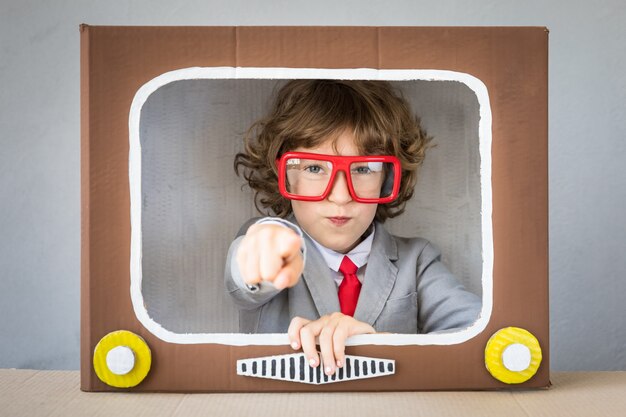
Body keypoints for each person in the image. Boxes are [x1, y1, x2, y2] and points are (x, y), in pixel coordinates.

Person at [224, 79, 481, 377]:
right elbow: (248, 273)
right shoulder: (270, 242)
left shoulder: (417, 260)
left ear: (386, 178)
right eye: (314, 168)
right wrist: (264, 246)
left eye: (362, 169)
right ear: (285, 176)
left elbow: (479, 339)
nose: (341, 196)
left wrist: (378, 348)